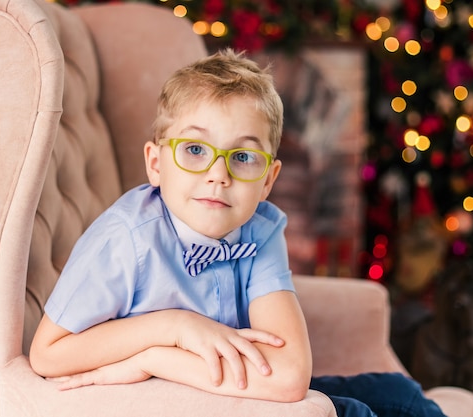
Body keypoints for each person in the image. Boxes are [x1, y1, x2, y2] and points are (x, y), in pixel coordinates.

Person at [29, 49, 445, 417]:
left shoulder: (259, 229)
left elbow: (289, 375)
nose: (218, 175)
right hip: (186, 400)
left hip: (236, 384)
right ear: (156, 164)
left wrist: (155, 358)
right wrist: (171, 329)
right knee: (351, 412)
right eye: (195, 150)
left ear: (268, 179)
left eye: (243, 157)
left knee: (399, 394)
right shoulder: (124, 238)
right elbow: (48, 354)